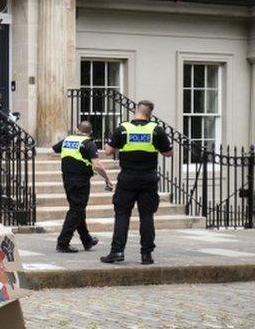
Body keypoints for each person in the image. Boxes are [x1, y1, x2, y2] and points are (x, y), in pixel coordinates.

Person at [100, 100, 173, 265]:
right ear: (150, 114)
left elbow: (108, 151)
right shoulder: (156, 130)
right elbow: (168, 153)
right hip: (148, 178)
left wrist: (109, 144)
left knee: (122, 214)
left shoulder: (123, 128)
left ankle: (117, 251)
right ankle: (146, 254)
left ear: (136, 111)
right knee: (146, 215)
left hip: (127, 178)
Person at [51, 121, 112, 253]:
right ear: (90, 132)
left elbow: (53, 151)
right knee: (76, 210)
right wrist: (107, 178)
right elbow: (97, 165)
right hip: (80, 180)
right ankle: (63, 242)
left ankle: (87, 240)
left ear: (76, 129)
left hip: (67, 178)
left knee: (78, 209)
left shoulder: (67, 140)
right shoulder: (88, 144)